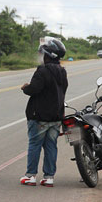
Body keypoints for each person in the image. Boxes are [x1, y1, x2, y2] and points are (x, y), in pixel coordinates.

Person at [20, 38, 68, 187]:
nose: (40, 55)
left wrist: (25, 87)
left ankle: (31, 175)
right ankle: (49, 177)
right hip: (56, 116)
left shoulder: (42, 71)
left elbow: (34, 89)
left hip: (39, 116)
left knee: (34, 144)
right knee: (51, 146)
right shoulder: (62, 71)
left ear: (48, 55)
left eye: (42, 52)